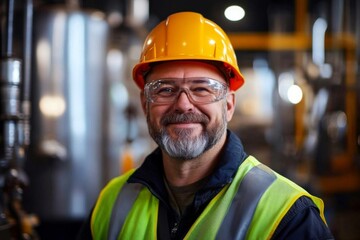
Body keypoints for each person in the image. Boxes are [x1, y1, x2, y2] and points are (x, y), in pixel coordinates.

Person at [77, 12, 334, 240]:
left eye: (201, 89)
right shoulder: (111, 203)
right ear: (145, 105)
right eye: (165, 89)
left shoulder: (287, 216)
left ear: (229, 105)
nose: (183, 104)